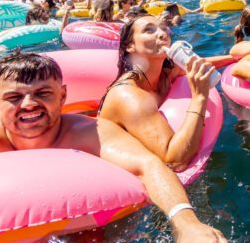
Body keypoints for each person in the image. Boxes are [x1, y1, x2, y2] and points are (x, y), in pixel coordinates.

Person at [0, 52, 229, 243]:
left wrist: (186, 223)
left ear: (63, 96)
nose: (29, 104)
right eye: (14, 97)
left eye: (42, 93)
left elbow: (148, 165)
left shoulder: (90, 133)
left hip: (77, 226)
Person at [99, 15, 231, 168]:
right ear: (130, 46)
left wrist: (234, 58)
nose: (162, 34)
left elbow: (198, 65)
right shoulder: (128, 95)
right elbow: (174, 160)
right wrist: (199, 97)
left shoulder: (165, 74)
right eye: (149, 30)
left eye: (164, 28)